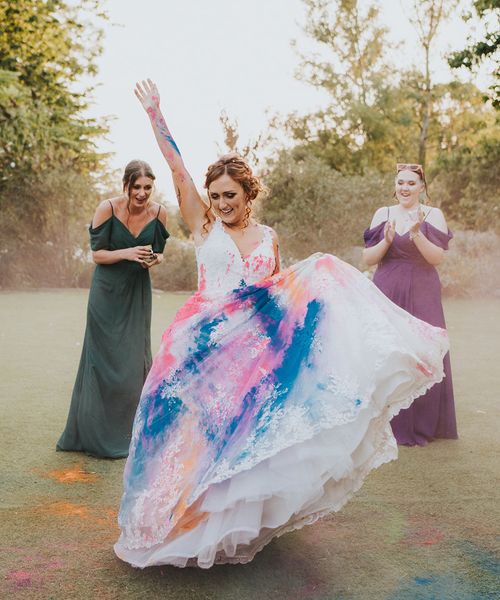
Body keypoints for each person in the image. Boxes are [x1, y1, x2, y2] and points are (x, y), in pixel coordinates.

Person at [114, 81, 449, 568]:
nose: (222, 202)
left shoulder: (268, 238)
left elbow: (278, 295)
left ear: (247, 193)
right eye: (215, 195)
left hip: (251, 352)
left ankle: (218, 526)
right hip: (200, 343)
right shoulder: (204, 225)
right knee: (190, 434)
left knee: (241, 441)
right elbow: (176, 169)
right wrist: (155, 114)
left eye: (229, 195)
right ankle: (173, 522)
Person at [57, 160, 170, 458]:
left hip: (137, 293)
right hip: (106, 293)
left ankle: (134, 433)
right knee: (103, 360)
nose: (143, 193)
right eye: (137, 187)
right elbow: (97, 255)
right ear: (127, 185)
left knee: (134, 362)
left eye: (148, 187)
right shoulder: (107, 208)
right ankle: (93, 433)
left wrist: (152, 260)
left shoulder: (160, 213)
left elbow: (159, 254)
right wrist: (128, 252)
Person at [363, 163, 458, 446]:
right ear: (395, 186)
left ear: (421, 188)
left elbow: (436, 258)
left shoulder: (433, 215)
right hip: (387, 286)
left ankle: (427, 423)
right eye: (400, 182)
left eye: (411, 183)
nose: (405, 188)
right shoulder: (384, 214)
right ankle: (387, 422)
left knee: (426, 352)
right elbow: (368, 258)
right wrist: (387, 241)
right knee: (389, 350)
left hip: (423, 288)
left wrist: (416, 234)